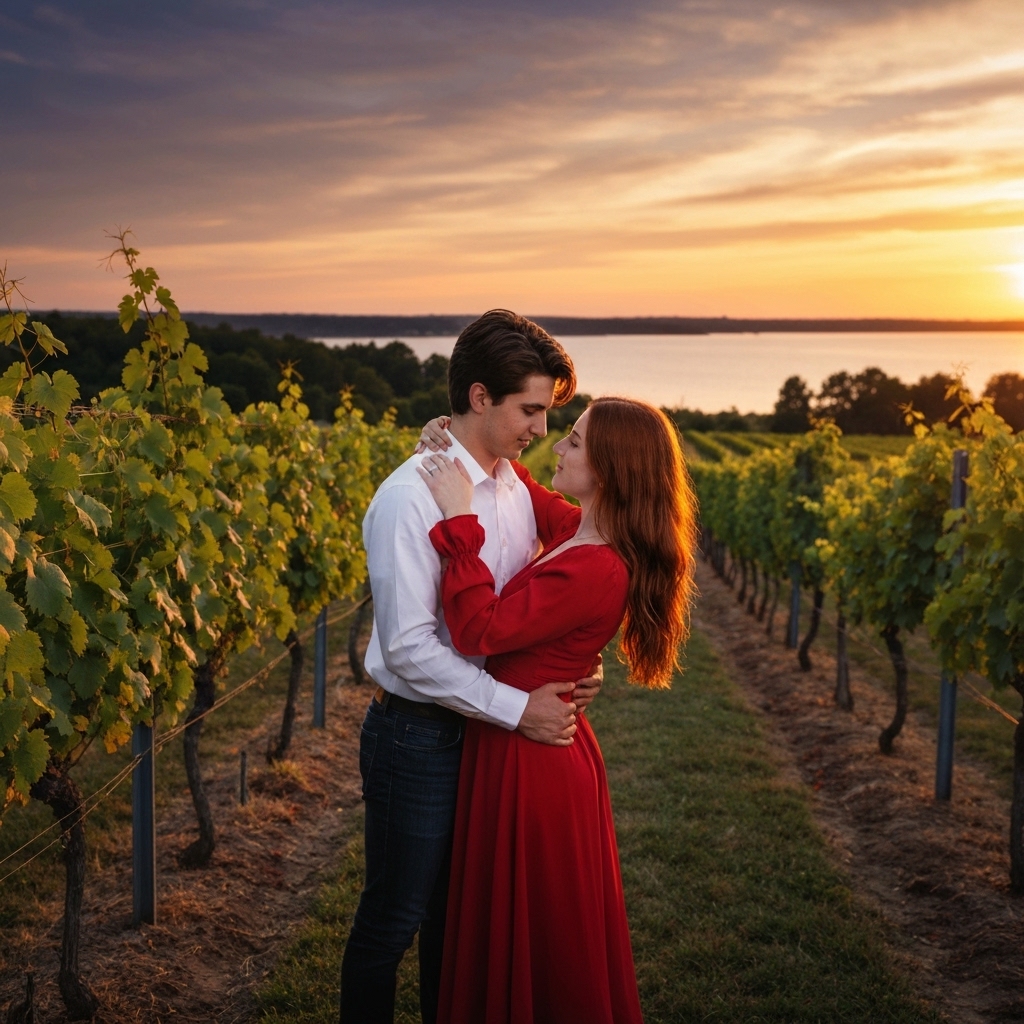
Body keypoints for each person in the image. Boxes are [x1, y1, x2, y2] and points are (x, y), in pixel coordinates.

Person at [339, 310, 605, 1024]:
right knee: (393, 922)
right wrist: (521, 709)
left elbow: (546, 593)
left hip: (488, 745)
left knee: (456, 927)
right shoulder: (407, 498)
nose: (541, 430)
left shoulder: (513, 487)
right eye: (529, 410)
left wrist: (578, 661)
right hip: (419, 739)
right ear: (480, 397)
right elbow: (409, 650)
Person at [417, 396, 697, 1023]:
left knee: (539, 934)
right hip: (527, 741)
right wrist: (463, 437)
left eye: (573, 441)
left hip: (530, 763)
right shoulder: (581, 530)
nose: (557, 449)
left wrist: (459, 518)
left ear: (611, 468)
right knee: (523, 925)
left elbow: (477, 630)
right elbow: (522, 480)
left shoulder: (596, 565)